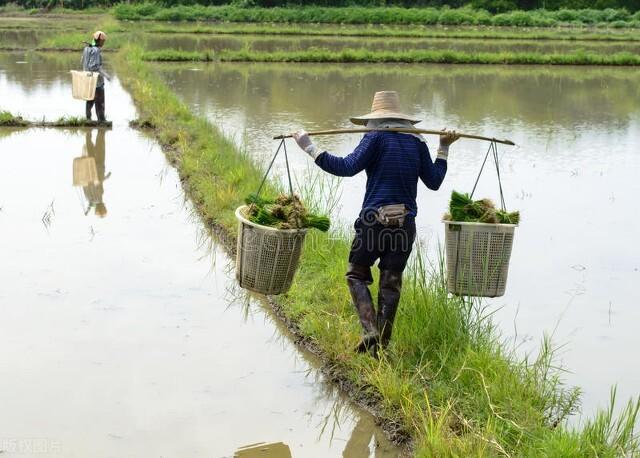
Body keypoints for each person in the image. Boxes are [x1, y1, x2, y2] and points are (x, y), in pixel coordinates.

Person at [293, 91, 459, 356]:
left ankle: (370, 328)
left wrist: (309, 147)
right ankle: (380, 345)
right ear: (402, 119)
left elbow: (345, 167)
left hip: (374, 223)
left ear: (375, 119)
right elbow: (435, 181)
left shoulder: (375, 138)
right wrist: (444, 147)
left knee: (356, 274)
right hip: (405, 225)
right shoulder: (417, 143)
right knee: (390, 284)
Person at [81, 30, 111, 122]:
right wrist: (106, 75)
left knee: (90, 99)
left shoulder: (86, 49)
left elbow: (82, 62)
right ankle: (101, 121)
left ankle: (88, 119)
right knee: (100, 102)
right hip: (97, 81)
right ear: (100, 41)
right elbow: (95, 66)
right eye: (103, 41)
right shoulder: (96, 50)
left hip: (87, 79)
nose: (103, 43)